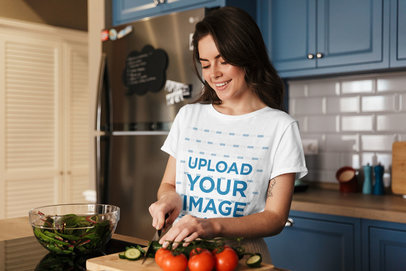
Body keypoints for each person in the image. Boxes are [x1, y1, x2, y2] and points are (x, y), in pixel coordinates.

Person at [148, 6, 307, 263]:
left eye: (223, 61)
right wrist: (168, 200)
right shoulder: (188, 117)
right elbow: (169, 184)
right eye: (206, 64)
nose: (214, 74)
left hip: (241, 258)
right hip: (180, 255)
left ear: (248, 56)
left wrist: (210, 226)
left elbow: (275, 218)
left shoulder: (280, 127)